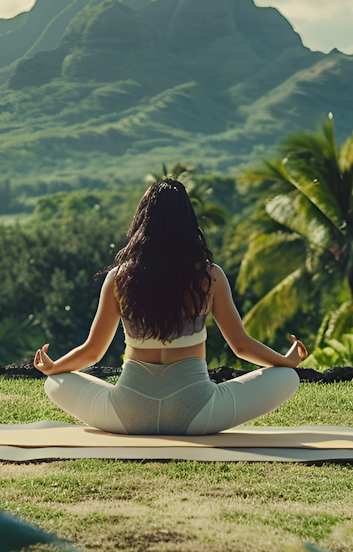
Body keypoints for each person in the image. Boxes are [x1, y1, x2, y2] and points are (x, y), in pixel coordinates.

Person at [33, 179, 309, 435]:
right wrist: (286, 362)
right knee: (286, 378)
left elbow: (92, 351)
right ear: (189, 223)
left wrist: (55, 367)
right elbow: (241, 346)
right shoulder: (209, 276)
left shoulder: (119, 278)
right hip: (199, 414)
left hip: (127, 415)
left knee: (54, 383)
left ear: (142, 221)